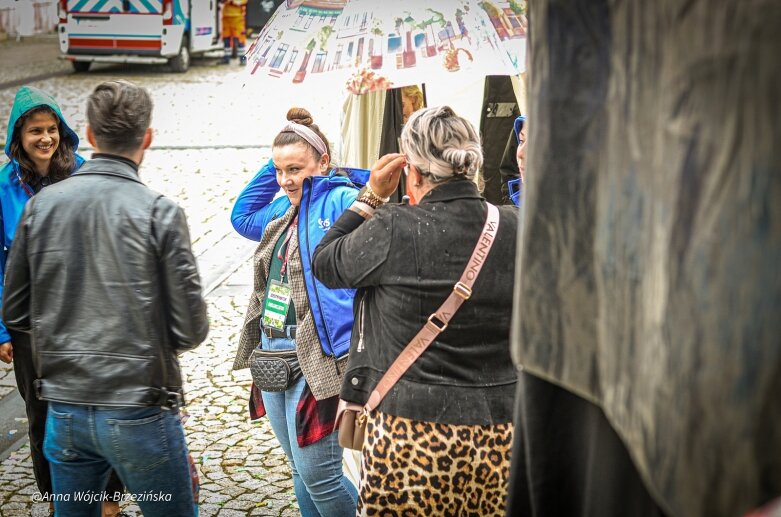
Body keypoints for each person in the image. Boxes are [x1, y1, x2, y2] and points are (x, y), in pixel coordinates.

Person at [2, 80, 209, 516]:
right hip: (141, 410)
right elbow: (190, 329)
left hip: (66, 412)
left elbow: (16, 310)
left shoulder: (41, 207)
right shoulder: (160, 212)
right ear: (148, 138)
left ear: (90, 137)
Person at [312, 105, 519, 515]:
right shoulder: (516, 225)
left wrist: (371, 196)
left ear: (414, 172)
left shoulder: (393, 227)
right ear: (472, 163)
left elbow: (325, 263)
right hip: (502, 429)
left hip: (410, 430)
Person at [231, 107, 365, 516]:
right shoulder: (281, 210)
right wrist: (285, 148)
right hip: (272, 351)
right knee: (299, 470)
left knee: (320, 475)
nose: (286, 179)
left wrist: (317, 152)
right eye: (279, 170)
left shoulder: (341, 199)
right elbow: (241, 216)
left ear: (323, 163)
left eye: (296, 168)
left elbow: (372, 212)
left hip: (317, 356)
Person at [0, 85, 126, 517]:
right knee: (42, 414)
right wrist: (2, 330)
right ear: (19, 137)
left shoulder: (86, 175)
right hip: (29, 322)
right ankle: (59, 502)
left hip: (85, 315)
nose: (46, 139)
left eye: (52, 129)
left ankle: (107, 499)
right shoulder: (3, 188)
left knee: (97, 405)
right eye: (36, 130)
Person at [220, 0, 248, 65]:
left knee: (240, 40)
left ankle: (242, 59)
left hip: (237, 18)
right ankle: (226, 59)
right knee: (226, 39)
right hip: (226, 17)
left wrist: (232, 1)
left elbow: (243, 1)